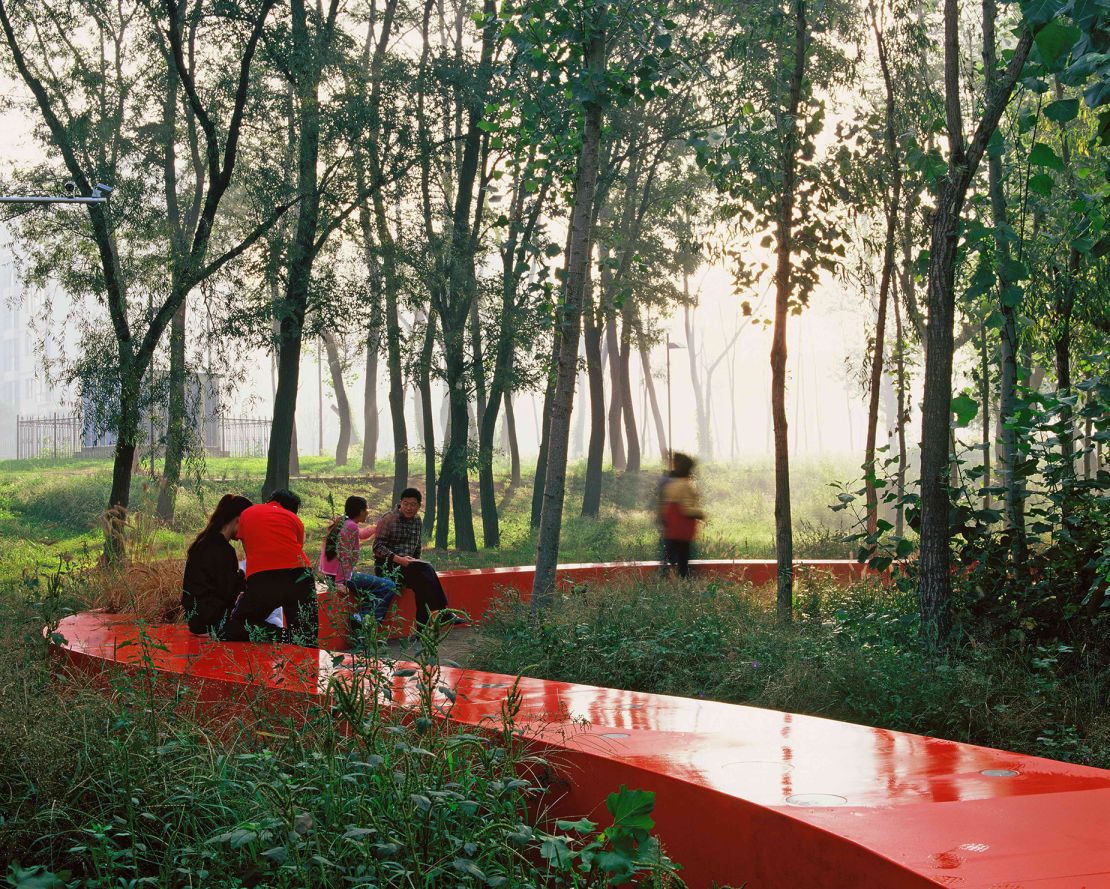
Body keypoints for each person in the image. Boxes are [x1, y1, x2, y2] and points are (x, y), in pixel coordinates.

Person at [225, 489, 317, 645]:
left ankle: (282, 635)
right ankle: (301, 652)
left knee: (236, 626)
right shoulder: (294, 519)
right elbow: (296, 549)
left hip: (264, 578)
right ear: (291, 510)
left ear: (270, 500)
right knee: (307, 636)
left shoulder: (249, 512)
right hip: (301, 575)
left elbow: (248, 547)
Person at [372, 487, 457, 628]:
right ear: (400, 503)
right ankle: (441, 613)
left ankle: (421, 631)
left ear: (419, 506)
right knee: (426, 571)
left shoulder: (417, 520)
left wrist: (415, 561)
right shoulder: (388, 519)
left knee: (423, 585)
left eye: (413, 505)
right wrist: (399, 559)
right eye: (406, 504)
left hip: (409, 567)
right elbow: (377, 547)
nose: (409, 508)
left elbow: (417, 547)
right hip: (387, 567)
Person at [181, 494, 253, 637]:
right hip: (213, 622)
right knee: (265, 629)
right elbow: (229, 593)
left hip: (196, 621)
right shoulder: (223, 551)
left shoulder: (202, 543)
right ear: (239, 520)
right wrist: (243, 577)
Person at [319, 495, 398, 624]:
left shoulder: (343, 521)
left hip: (332, 575)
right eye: (366, 510)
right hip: (341, 576)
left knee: (371, 588)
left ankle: (363, 618)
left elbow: (361, 534)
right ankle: (364, 619)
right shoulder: (350, 526)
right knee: (388, 586)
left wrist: (376, 527)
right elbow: (344, 556)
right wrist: (339, 582)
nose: (367, 513)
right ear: (361, 511)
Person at [658, 452, 705, 580]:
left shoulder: (670, 484)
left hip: (671, 529)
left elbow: (665, 507)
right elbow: (686, 509)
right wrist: (700, 513)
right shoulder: (685, 485)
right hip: (683, 530)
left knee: (668, 557)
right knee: (683, 558)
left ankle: (664, 578)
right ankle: (683, 579)